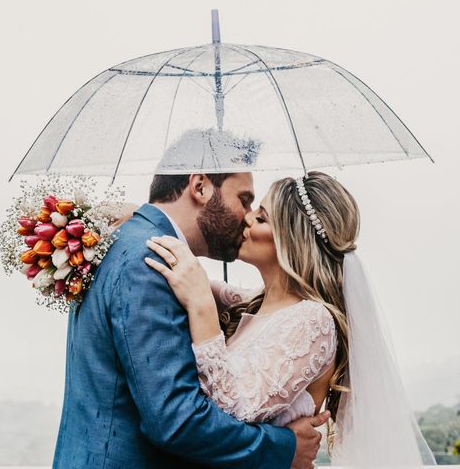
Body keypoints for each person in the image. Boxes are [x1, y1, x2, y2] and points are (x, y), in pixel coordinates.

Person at [145, 171, 437, 467]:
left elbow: (234, 408)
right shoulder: (255, 304)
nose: (245, 219)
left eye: (261, 219)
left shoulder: (313, 320)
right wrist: (146, 218)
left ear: (291, 239)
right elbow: (200, 281)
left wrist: (202, 308)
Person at [52, 170, 329, 469]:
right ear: (199, 187)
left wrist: (144, 217)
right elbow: (177, 420)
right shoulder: (147, 264)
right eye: (244, 200)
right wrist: (285, 447)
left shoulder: (133, 247)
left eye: (259, 215)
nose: (246, 217)